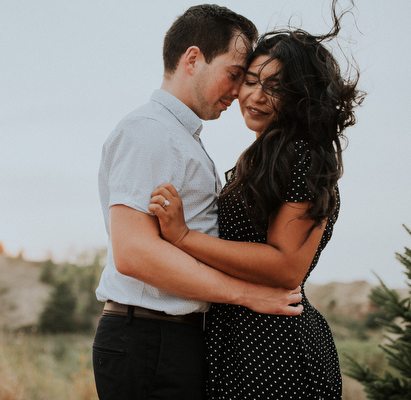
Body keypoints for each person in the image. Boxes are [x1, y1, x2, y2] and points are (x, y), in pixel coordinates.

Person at [148, 6, 364, 398]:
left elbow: (286, 267)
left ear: (301, 95)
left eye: (276, 87)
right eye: (250, 81)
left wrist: (182, 237)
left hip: (274, 348)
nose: (255, 96)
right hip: (237, 342)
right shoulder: (263, 156)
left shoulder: (305, 155)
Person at [93, 5, 304, 400]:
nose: (239, 90)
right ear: (193, 58)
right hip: (150, 337)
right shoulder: (150, 133)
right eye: (235, 74)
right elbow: (134, 253)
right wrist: (247, 294)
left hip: (168, 337)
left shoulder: (179, 136)